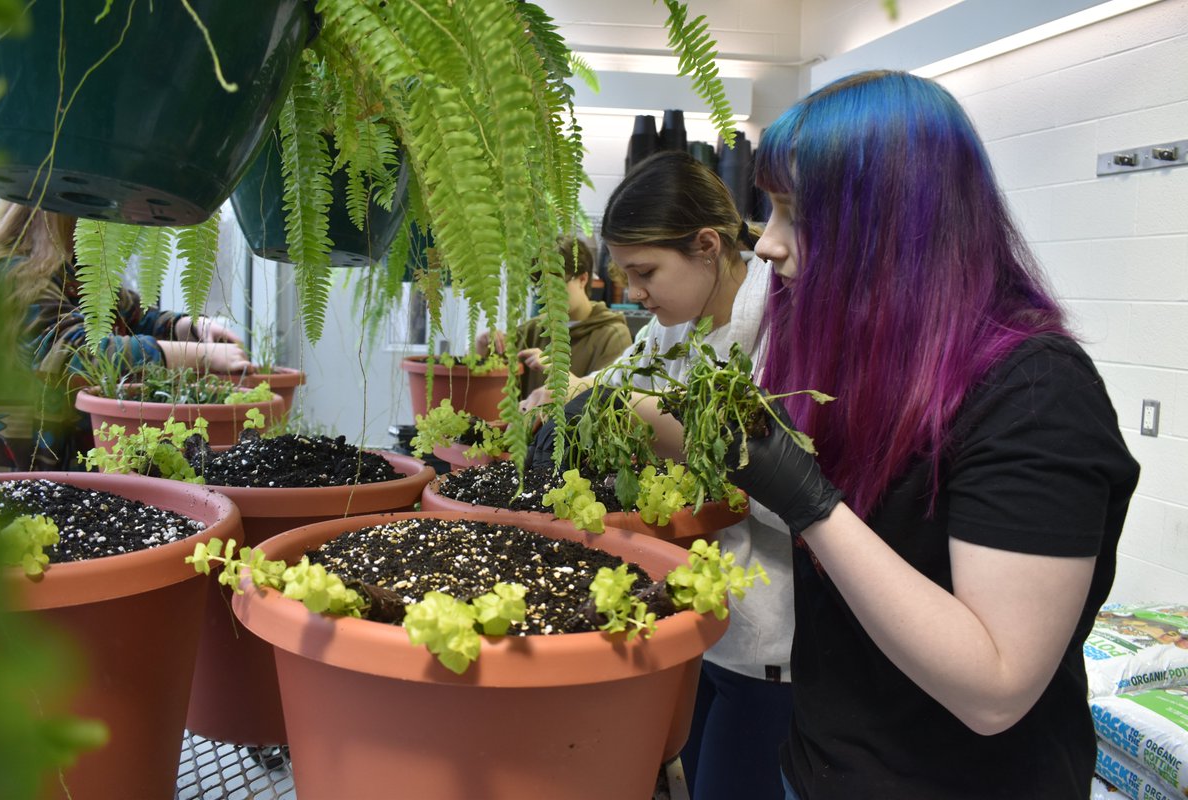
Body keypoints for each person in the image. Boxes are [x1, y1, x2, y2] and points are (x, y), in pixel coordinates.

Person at [726, 70, 1139, 799]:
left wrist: (810, 502)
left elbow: (995, 686)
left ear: (888, 227)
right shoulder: (871, 366)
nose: (767, 245)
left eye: (795, 215)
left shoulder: (1036, 392)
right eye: (770, 212)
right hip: (819, 767)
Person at [530, 150, 795, 800]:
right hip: (692, 622)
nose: (635, 293)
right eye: (624, 275)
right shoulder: (673, 328)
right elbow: (623, 381)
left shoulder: (785, 334)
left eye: (645, 272)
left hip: (767, 642)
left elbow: (794, 496)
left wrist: (640, 412)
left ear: (707, 246)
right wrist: (576, 388)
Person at [0, 200, 252, 470]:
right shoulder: (10, 274)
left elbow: (135, 316)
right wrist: (200, 356)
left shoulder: (73, 271)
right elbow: (74, 352)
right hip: (21, 467)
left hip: (67, 466)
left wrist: (188, 326)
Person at [476, 234, 631, 398]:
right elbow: (488, 393)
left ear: (583, 279)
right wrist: (481, 349)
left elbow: (608, 402)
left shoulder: (613, 336)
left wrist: (558, 374)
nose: (547, 295)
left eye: (556, 285)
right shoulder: (531, 331)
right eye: (541, 287)